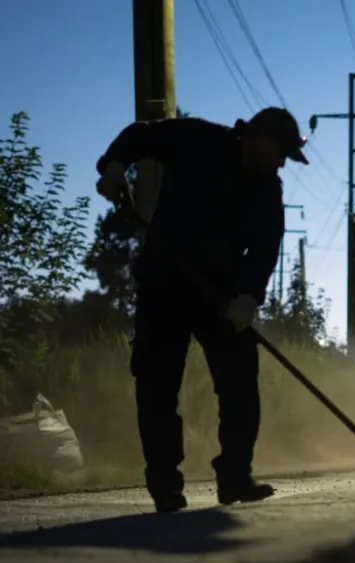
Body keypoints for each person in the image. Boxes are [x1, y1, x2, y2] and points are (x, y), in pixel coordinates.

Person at [93, 107, 309, 513]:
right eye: (282, 153)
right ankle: (165, 484)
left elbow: (265, 248)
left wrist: (250, 297)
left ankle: (235, 477)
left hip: (221, 298)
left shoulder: (267, 190)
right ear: (259, 138)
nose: (282, 164)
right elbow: (141, 134)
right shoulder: (198, 139)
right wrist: (115, 166)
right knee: (157, 385)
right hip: (163, 283)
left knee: (241, 385)